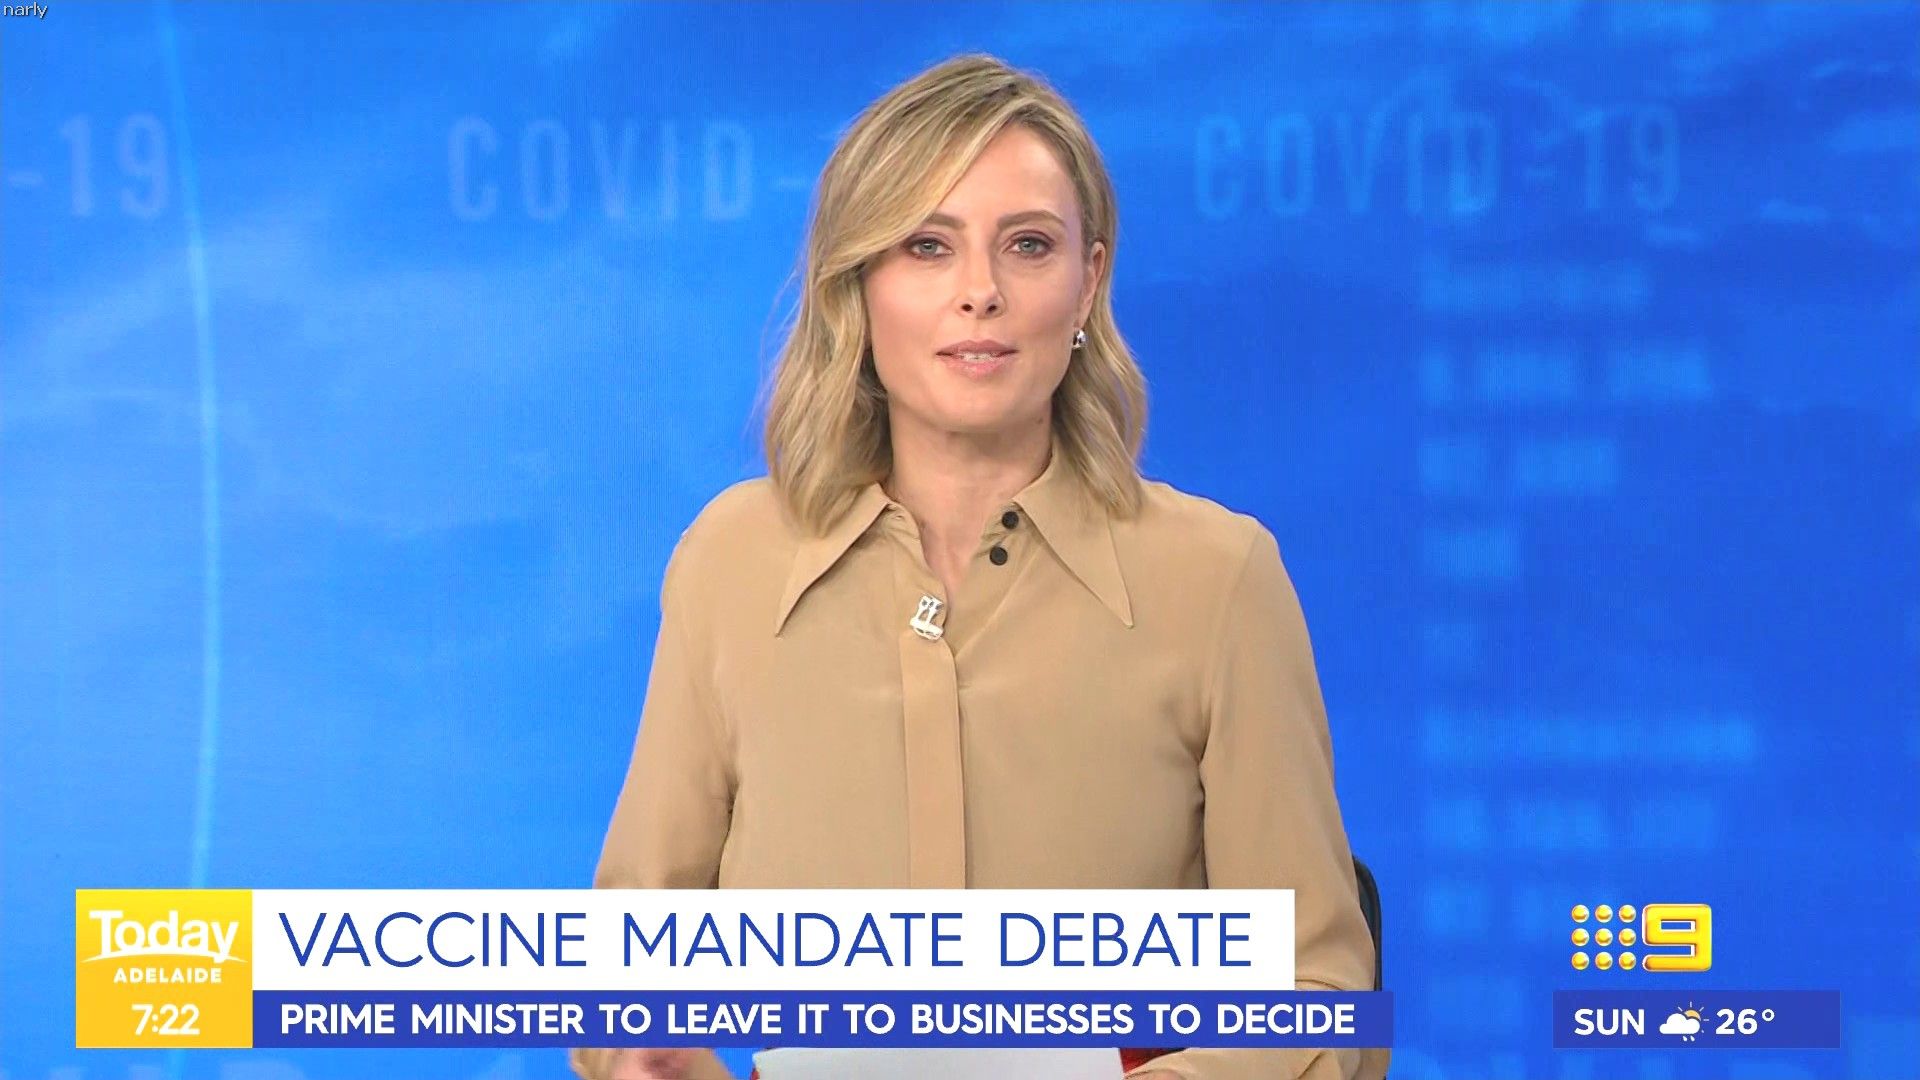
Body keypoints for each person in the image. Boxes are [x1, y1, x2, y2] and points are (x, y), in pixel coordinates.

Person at [570, 53, 1388, 1080]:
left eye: (1028, 246)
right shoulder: (729, 566)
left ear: (1089, 281)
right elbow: (624, 975)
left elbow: (1317, 999)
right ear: (857, 285)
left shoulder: (1218, 580)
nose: (980, 294)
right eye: (927, 246)